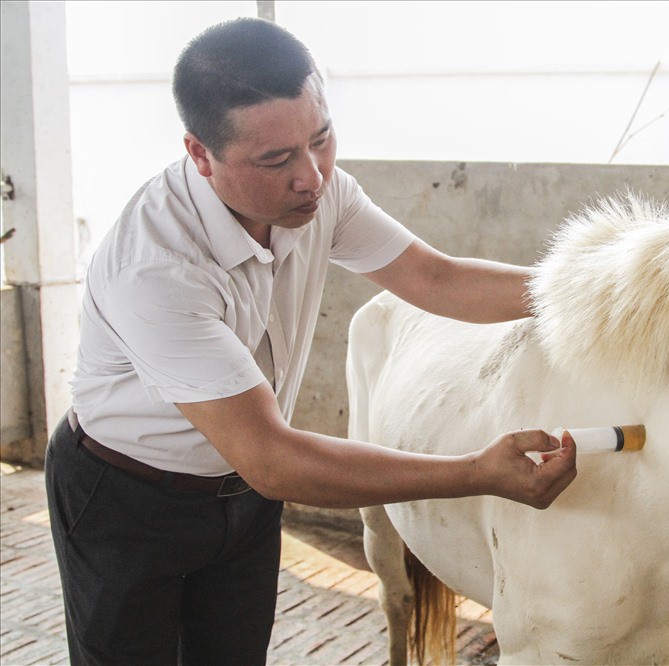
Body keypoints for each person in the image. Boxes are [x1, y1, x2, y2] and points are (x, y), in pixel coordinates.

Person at [44, 16, 577, 665]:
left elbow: (434, 278)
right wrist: (476, 473)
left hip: (242, 501)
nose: (312, 177)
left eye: (321, 139)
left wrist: (600, 291)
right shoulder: (156, 268)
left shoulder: (320, 194)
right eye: (276, 160)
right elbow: (274, 458)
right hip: (126, 497)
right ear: (200, 154)